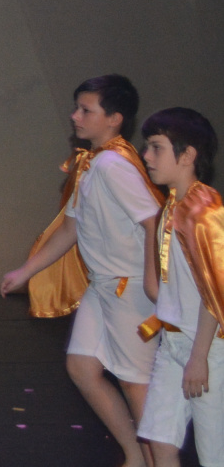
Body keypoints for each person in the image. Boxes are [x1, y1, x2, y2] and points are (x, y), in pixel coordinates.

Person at [1, 75, 162, 467]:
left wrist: (149, 278)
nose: (75, 116)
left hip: (127, 289)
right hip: (103, 286)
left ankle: (158, 461)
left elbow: (154, 219)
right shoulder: (93, 163)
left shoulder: (113, 164)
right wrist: (26, 271)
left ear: (114, 118)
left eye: (85, 110)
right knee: (82, 367)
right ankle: (135, 455)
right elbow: (70, 229)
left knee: (135, 383)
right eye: (77, 108)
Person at [139, 107, 224, 467]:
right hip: (173, 342)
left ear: (187, 155)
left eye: (156, 147)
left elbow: (215, 293)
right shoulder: (172, 207)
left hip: (207, 348)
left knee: (214, 453)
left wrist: (199, 357)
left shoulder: (204, 213)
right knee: (159, 438)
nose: (146, 156)